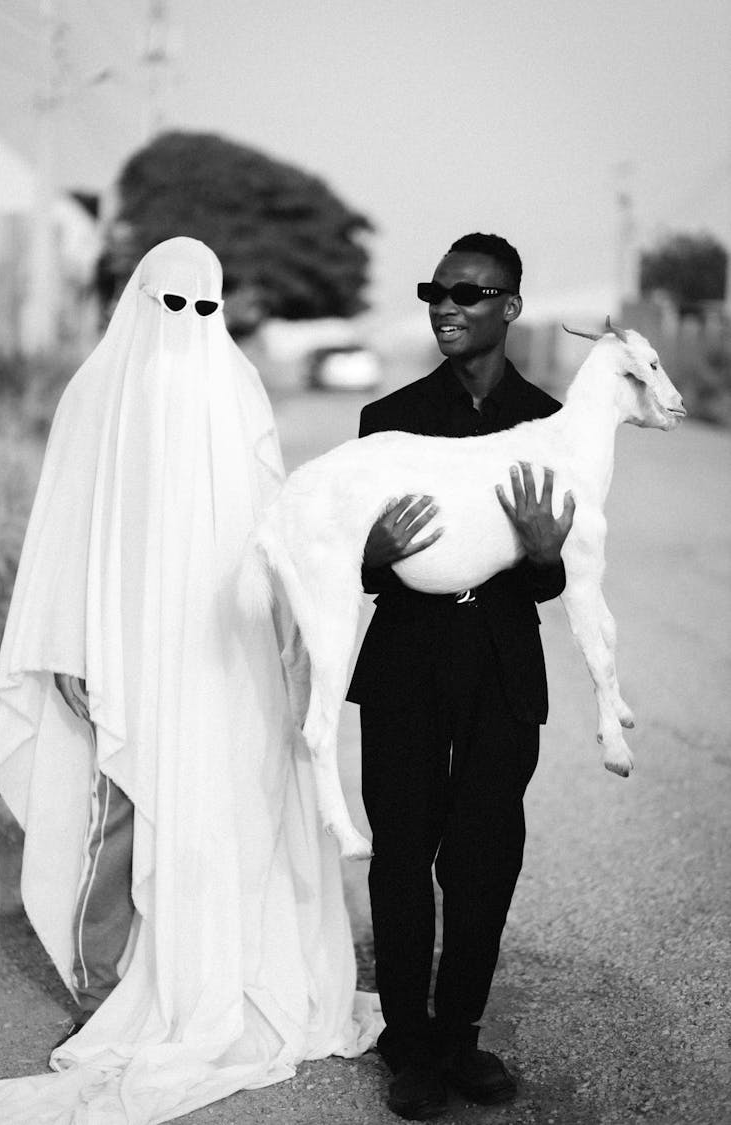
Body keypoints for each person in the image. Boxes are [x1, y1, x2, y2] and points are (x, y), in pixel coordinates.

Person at [0, 237, 379, 1124]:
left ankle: (219, 964)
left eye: (207, 307)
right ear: (137, 299)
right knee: (122, 811)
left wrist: (293, 635)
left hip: (225, 654)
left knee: (227, 809)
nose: (190, 325)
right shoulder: (98, 392)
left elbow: (271, 523)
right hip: (125, 645)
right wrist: (69, 648)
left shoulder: (237, 388)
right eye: (173, 304)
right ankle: (116, 983)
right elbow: (63, 529)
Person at [347, 232, 575, 1119]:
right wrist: (370, 555)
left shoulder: (551, 424)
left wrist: (546, 558)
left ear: (509, 307)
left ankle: (461, 1034)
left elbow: (561, 575)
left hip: (502, 668)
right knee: (401, 855)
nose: (447, 305)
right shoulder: (387, 419)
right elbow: (350, 561)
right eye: (436, 290)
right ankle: (409, 1043)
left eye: (470, 293)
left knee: (484, 858)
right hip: (405, 660)